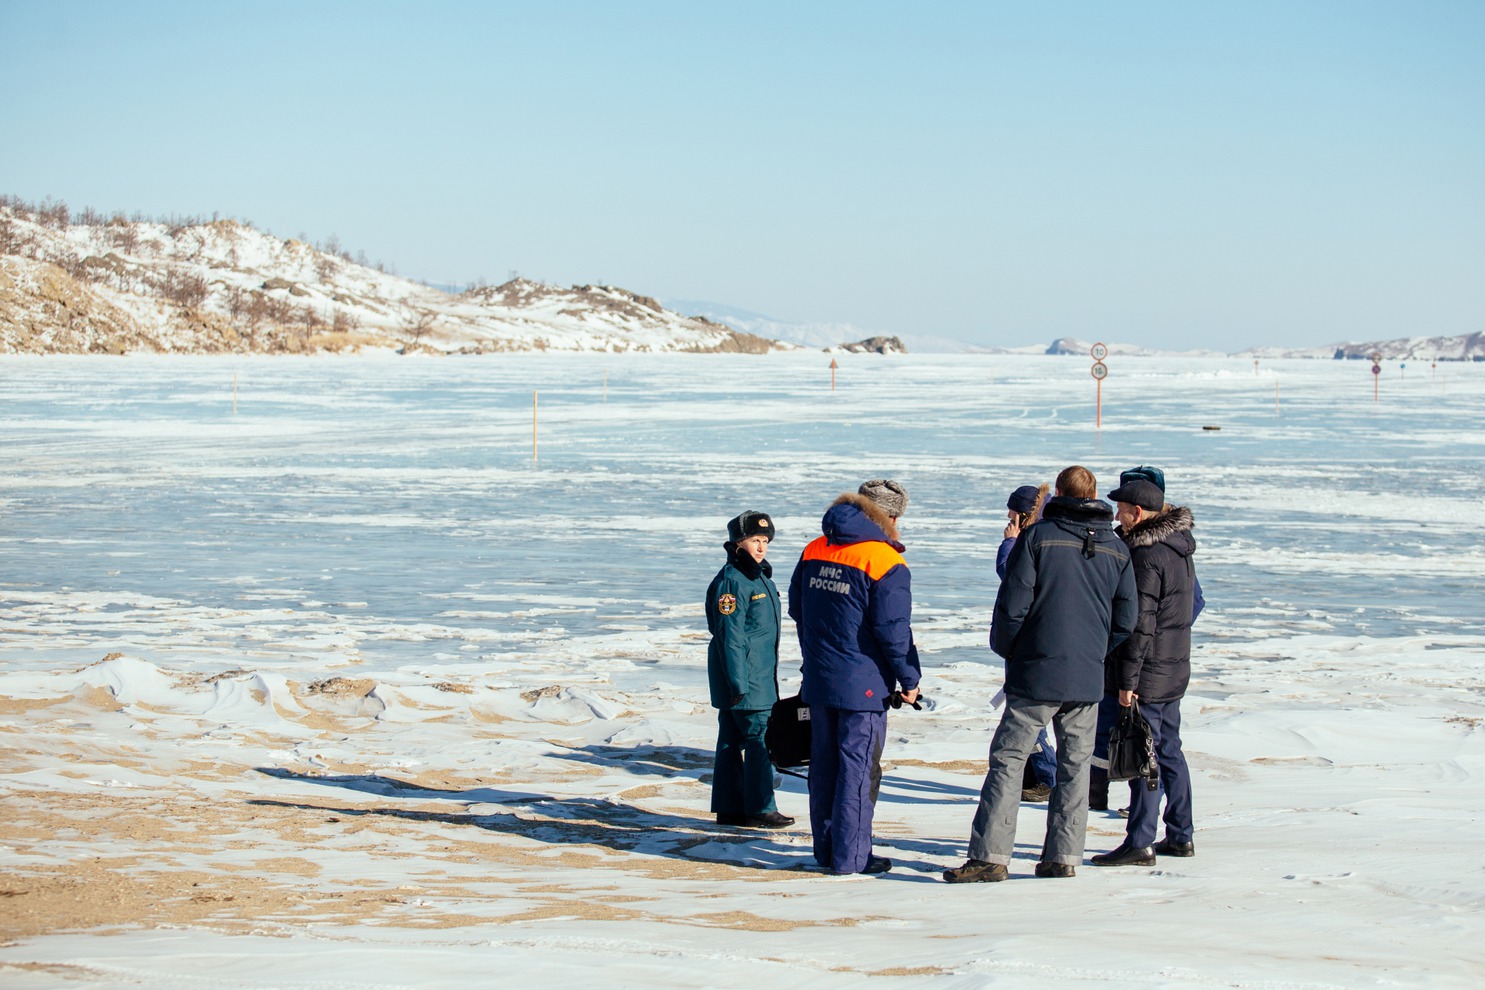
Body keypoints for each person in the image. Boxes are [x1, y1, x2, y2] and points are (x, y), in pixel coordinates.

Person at [944, 465, 1135, 882]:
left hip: (1038, 672)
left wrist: (1013, 651)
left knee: (1009, 761)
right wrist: (1094, 652)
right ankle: (1063, 856)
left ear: (1059, 493)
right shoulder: (1117, 548)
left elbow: (1012, 605)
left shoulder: (1038, 537)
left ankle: (991, 856)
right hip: (1085, 676)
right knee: (1075, 766)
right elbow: (1126, 619)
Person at [789, 479, 921, 875]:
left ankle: (828, 851)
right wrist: (909, 679)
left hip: (820, 677)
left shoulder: (816, 547)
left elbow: (797, 607)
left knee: (824, 768)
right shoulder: (884, 560)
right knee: (857, 772)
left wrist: (818, 651)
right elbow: (893, 632)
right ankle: (851, 858)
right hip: (863, 685)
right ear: (889, 517)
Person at [1090, 478, 1198, 866]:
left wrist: (1127, 681)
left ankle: (1140, 841)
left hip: (1149, 673)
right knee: (1169, 751)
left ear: (1137, 513)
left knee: (1144, 756)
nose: (1116, 517)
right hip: (1173, 669)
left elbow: (1141, 624)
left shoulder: (1147, 555)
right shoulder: (1179, 547)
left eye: (1121, 511)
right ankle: (1181, 834)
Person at [706, 510, 793, 829]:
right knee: (759, 738)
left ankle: (730, 809)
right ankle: (760, 807)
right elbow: (729, 635)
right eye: (755, 540)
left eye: (765, 541)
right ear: (738, 542)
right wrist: (737, 683)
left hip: (755, 674)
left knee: (731, 740)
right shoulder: (733, 580)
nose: (761, 547)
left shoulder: (758, 577)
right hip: (747, 679)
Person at [996, 483, 1057, 802]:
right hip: (1035, 641)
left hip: (1032, 643)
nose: (1008, 523)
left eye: (1012, 517)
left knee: (1028, 713)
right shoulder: (1045, 535)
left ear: (1024, 516)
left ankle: (1046, 775)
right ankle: (1037, 774)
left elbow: (1011, 577)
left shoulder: (1034, 540)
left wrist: (1010, 543)